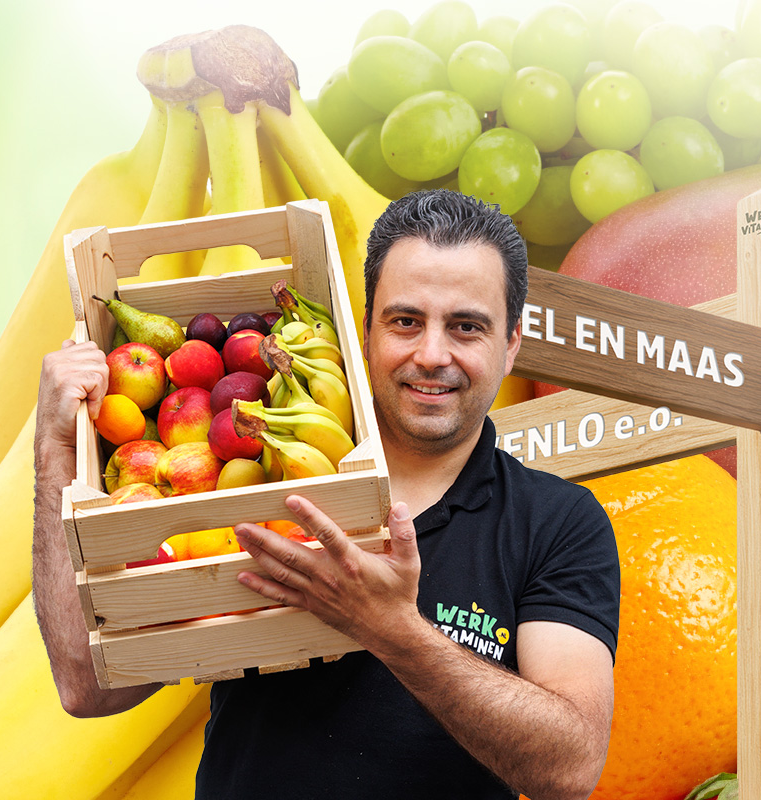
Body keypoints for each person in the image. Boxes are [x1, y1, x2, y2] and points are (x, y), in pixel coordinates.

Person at [30, 190, 620, 799]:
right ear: (363, 330)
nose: (432, 354)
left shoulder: (557, 523)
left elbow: (568, 769)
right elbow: (88, 686)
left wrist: (391, 629)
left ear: (512, 343)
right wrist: (55, 450)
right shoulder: (254, 480)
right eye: (406, 321)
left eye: (467, 326)